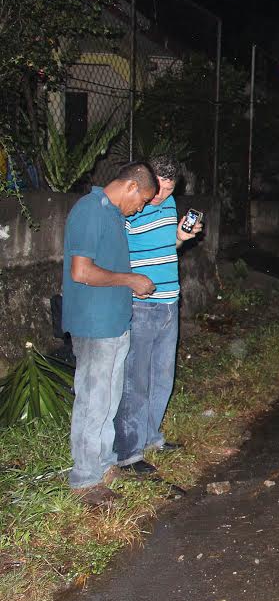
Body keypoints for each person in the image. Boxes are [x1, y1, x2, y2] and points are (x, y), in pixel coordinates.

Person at [61, 163, 158, 506]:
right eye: (143, 200)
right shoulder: (90, 211)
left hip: (115, 321)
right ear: (131, 186)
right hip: (94, 322)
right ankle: (85, 480)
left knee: (109, 399)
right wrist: (130, 280)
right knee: (93, 399)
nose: (142, 207)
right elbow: (82, 271)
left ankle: (101, 465)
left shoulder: (114, 216)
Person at [113, 156, 203, 476]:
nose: (161, 197)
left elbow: (169, 248)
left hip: (169, 302)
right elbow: (114, 254)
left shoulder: (169, 203)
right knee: (134, 380)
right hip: (141, 304)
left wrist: (182, 236)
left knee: (162, 377)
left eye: (169, 190)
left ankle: (151, 438)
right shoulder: (131, 205)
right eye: (159, 190)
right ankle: (128, 452)